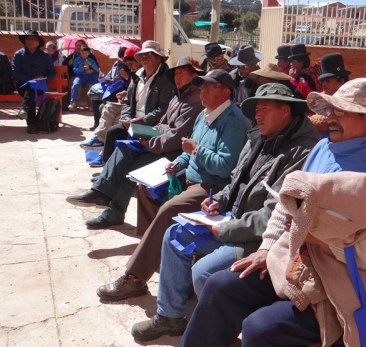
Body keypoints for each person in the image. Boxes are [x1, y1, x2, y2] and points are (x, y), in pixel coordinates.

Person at [180, 78, 366, 347]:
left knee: (260, 329)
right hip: (296, 264)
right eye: (331, 110)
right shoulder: (322, 149)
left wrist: (330, 244)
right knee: (219, 287)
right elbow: (286, 202)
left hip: (341, 284)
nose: (331, 118)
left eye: (342, 111)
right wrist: (266, 249)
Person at [123, 84, 320, 342]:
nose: (258, 115)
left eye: (265, 109)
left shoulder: (302, 153)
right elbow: (236, 180)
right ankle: (170, 316)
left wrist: (226, 229)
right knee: (174, 235)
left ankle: (218, 335)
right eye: (256, 109)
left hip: (259, 239)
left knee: (204, 272)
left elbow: (275, 215)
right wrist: (218, 201)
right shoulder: (261, 137)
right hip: (232, 220)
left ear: (285, 111)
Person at [94, 69, 251, 300]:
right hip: (191, 176)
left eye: (209, 86)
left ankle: (135, 276)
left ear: (226, 92)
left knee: (169, 209)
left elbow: (225, 167)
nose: (203, 90)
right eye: (202, 86)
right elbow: (189, 151)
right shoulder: (205, 114)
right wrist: (177, 163)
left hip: (213, 187)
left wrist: (195, 150)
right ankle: (156, 258)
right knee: (145, 189)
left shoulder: (233, 123)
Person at [66, 57, 207, 229]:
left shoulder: (193, 101)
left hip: (174, 155)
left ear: (194, 76)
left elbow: (176, 137)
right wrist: (146, 133)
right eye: (175, 73)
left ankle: (104, 197)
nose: (177, 77)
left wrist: (150, 143)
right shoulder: (177, 97)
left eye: (182, 73)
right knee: (124, 148)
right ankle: (107, 202)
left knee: (128, 162)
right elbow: (162, 124)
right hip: (161, 147)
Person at [88, 40, 175, 167]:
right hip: (133, 122)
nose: (144, 58)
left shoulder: (166, 79)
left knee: (130, 141)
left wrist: (141, 121)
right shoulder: (136, 76)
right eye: (142, 55)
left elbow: (164, 109)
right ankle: (107, 168)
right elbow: (128, 102)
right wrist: (126, 118)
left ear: (159, 58)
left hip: (154, 126)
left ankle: (118, 173)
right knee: (112, 132)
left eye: (149, 54)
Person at [79, 45, 141, 150]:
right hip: (124, 100)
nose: (130, 66)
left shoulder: (143, 74)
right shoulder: (131, 70)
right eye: (127, 63)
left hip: (137, 108)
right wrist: (125, 93)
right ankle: (99, 139)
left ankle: (105, 150)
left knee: (116, 120)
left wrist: (126, 78)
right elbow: (134, 91)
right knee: (107, 106)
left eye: (131, 63)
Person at [11, 30, 55, 134]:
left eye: (33, 39)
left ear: (38, 42)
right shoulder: (18, 54)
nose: (30, 41)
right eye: (28, 39)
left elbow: (52, 73)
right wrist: (29, 80)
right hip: (23, 85)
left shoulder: (44, 56)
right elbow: (14, 72)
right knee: (30, 89)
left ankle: (28, 117)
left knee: (31, 90)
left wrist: (44, 79)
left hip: (40, 86)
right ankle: (31, 123)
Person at [88, 46, 132, 131]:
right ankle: (97, 123)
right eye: (119, 58)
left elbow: (133, 85)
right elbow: (109, 75)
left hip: (122, 91)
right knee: (95, 96)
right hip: (112, 87)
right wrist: (108, 79)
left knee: (103, 105)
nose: (121, 60)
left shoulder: (130, 67)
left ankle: (102, 132)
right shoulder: (116, 64)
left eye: (123, 59)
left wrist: (126, 78)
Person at [308, 53, 351, 133]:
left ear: (341, 81)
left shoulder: (350, 101)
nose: (323, 84)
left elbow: (324, 124)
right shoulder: (322, 98)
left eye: (328, 81)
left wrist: (309, 118)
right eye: (322, 81)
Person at [68, 46, 100, 111]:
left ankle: (94, 104)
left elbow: (97, 69)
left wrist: (91, 65)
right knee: (76, 84)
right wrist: (82, 69)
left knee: (96, 85)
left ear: (88, 53)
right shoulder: (77, 59)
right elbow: (74, 69)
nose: (84, 55)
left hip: (90, 75)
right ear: (80, 52)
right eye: (83, 53)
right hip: (80, 75)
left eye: (86, 53)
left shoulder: (91, 60)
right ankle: (73, 103)